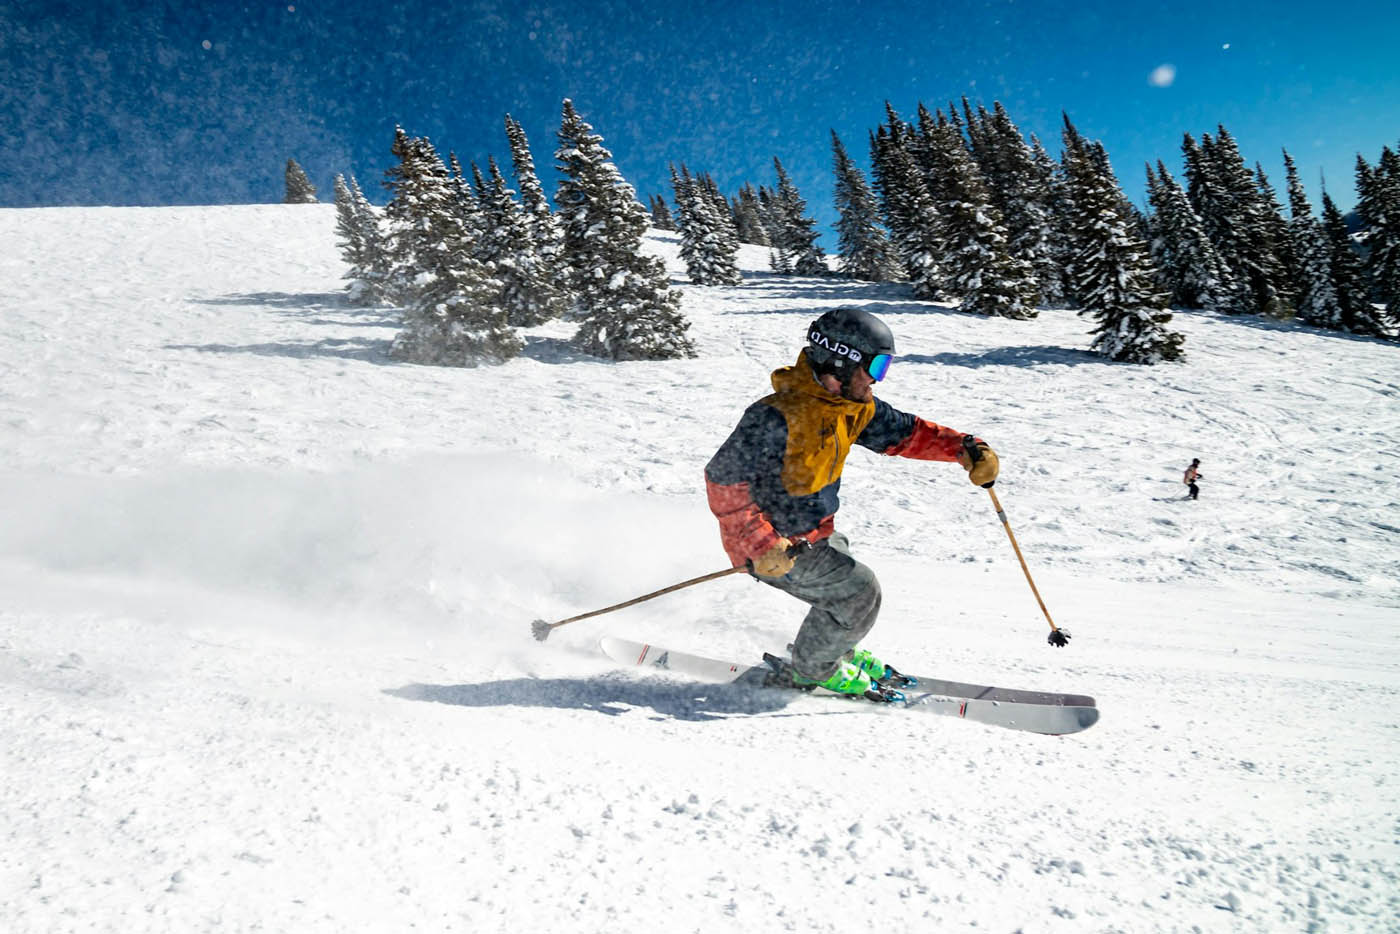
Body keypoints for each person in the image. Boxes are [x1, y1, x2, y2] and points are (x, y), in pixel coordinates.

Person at [704, 308, 999, 697]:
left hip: (815, 533)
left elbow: (906, 434)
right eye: (876, 366)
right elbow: (722, 479)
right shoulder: (775, 417)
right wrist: (760, 544)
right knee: (859, 593)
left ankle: (829, 647)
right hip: (772, 547)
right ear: (841, 363)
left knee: (844, 586)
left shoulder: (852, 408)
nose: (877, 379)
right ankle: (811, 669)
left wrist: (964, 449)